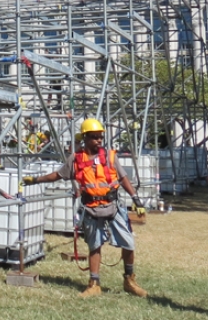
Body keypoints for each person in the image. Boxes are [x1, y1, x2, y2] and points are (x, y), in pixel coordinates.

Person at [22, 118, 149, 298]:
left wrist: (136, 199)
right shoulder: (75, 160)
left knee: (128, 243)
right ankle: (94, 283)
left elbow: (123, 178)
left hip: (112, 207)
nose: (99, 140)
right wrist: (35, 180)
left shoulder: (110, 157)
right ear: (85, 138)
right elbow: (57, 175)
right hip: (91, 209)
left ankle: (129, 280)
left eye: (100, 137)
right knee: (94, 246)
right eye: (94, 137)